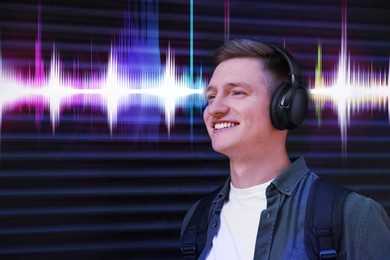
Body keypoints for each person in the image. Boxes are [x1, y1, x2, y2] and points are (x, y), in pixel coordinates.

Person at [180, 39, 390, 259]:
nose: (214, 109)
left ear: (285, 106)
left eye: (237, 92)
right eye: (211, 97)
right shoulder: (197, 219)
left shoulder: (353, 216)